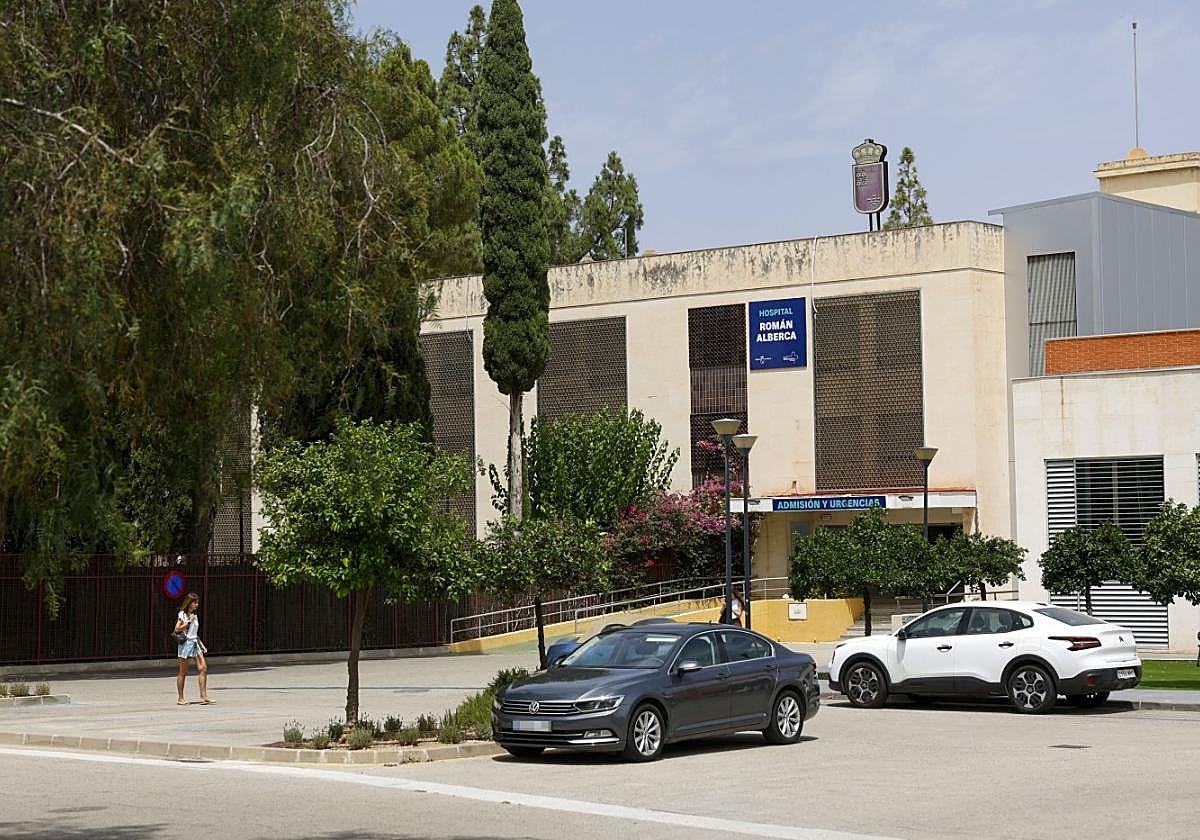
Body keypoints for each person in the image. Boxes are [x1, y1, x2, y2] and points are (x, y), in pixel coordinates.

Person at [175, 593, 212, 705]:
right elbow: (177, 629)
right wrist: (189, 622)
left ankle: (203, 696)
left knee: (203, 668)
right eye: (195, 602)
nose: (197, 604)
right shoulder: (183, 615)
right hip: (186, 644)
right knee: (183, 671)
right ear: (189, 603)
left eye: (197, 602)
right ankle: (180, 698)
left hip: (195, 643)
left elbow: (194, 633)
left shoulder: (194, 615)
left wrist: (201, 644)